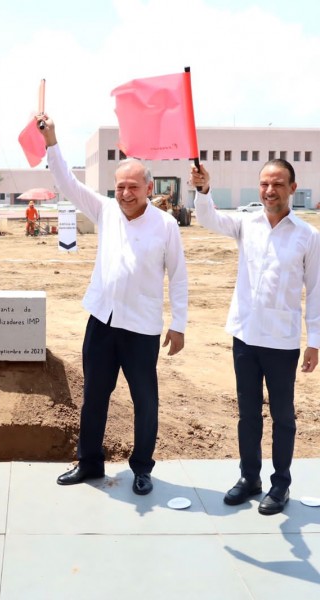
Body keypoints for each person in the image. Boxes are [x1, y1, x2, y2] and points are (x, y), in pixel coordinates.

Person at [39, 114, 187, 496]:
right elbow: (66, 183)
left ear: (148, 187)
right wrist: (52, 140)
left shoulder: (166, 225)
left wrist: (180, 323)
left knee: (145, 401)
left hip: (142, 329)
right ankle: (89, 464)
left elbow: (179, 275)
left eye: (133, 186)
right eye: (120, 186)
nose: (125, 193)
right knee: (94, 397)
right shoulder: (105, 212)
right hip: (102, 323)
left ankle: (142, 468)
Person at [192, 160, 320, 515]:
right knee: (248, 414)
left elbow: (317, 291)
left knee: (283, 417)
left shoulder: (307, 236)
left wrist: (315, 341)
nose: (269, 190)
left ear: (292, 188)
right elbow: (209, 219)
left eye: (277, 184)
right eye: (264, 183)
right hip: (245, 337)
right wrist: (204, 191)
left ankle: (281, 485)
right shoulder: (246, 224)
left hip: (282, 341)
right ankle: (250, 478)